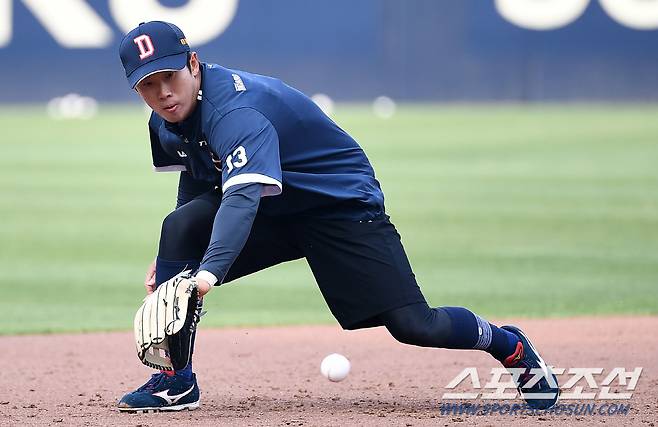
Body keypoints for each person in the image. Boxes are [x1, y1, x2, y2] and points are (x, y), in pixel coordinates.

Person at [117, 21, 559, 413]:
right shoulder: (165, 120)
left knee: (413, 325)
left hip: (338, 206)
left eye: (169, 77)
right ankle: (175, 382)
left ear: (193, 64)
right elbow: (200, 179)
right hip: (276, 205)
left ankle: (511, 345)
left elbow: (241, 198)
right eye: (147, 85)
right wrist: (180, 256)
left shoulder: (237, 112)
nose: (162, 93)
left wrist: (208, 270)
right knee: (177, 228)